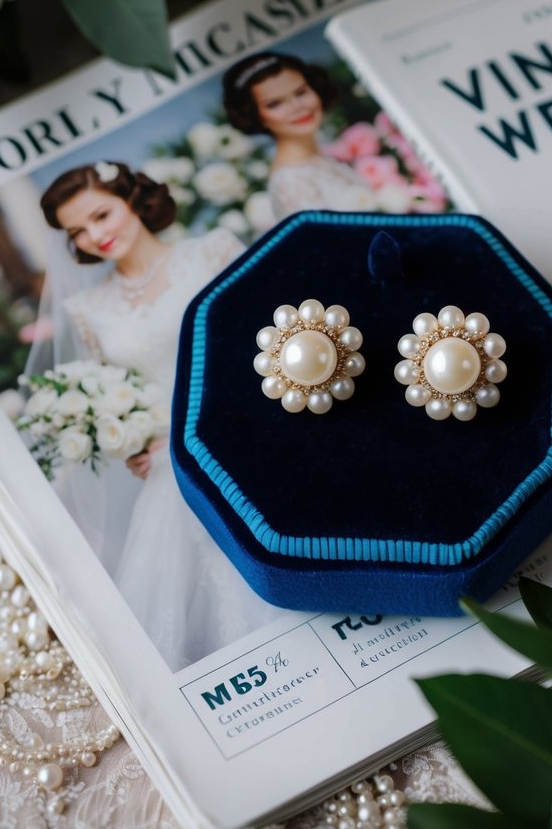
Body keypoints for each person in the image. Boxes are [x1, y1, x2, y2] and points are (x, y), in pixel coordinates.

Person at [39, 160, 280, 671]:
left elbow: (268, 343)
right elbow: (112, 394)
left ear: (134, 199)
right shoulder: (87, 308)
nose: (94, 236)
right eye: (77, 231)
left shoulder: (212, 250)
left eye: (102, 215)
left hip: (254, 437)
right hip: (171, 473)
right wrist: (129, 438)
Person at [223, 52, 378, 219]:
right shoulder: (291, 183)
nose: (297, 107)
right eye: (275, 104)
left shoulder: (319, 159)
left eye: (301, 92)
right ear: (256, 116)